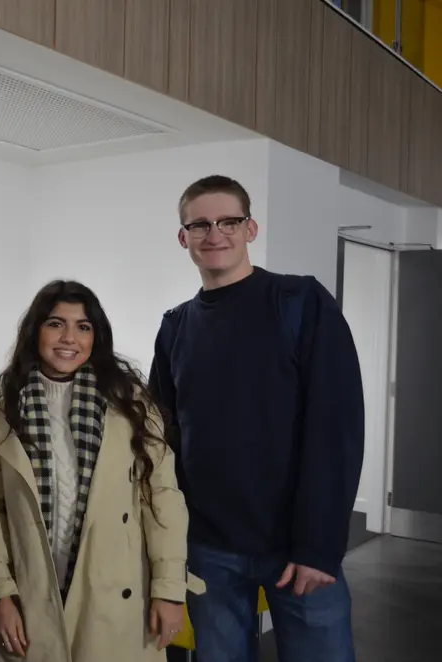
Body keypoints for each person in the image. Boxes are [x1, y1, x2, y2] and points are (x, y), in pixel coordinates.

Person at [148, 175, 364, 662]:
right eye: (200, 225)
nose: (215, 234)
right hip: (207, 548)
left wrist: (319, 545)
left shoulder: (300, 302)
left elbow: (336, 428)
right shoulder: (176, 325)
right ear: (183, 237)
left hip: (295, 544)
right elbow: (163, 436)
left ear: (250, 228)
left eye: (229, 221)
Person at [0, 280, 204, 662]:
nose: (69, 338)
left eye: (83, 326)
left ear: (96, 336)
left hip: (114, 594)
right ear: (36, 331)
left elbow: (163, 498)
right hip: (31, 595)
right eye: (56, 324)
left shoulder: (130, 405)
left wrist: (170, 588)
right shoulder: (4, 409)